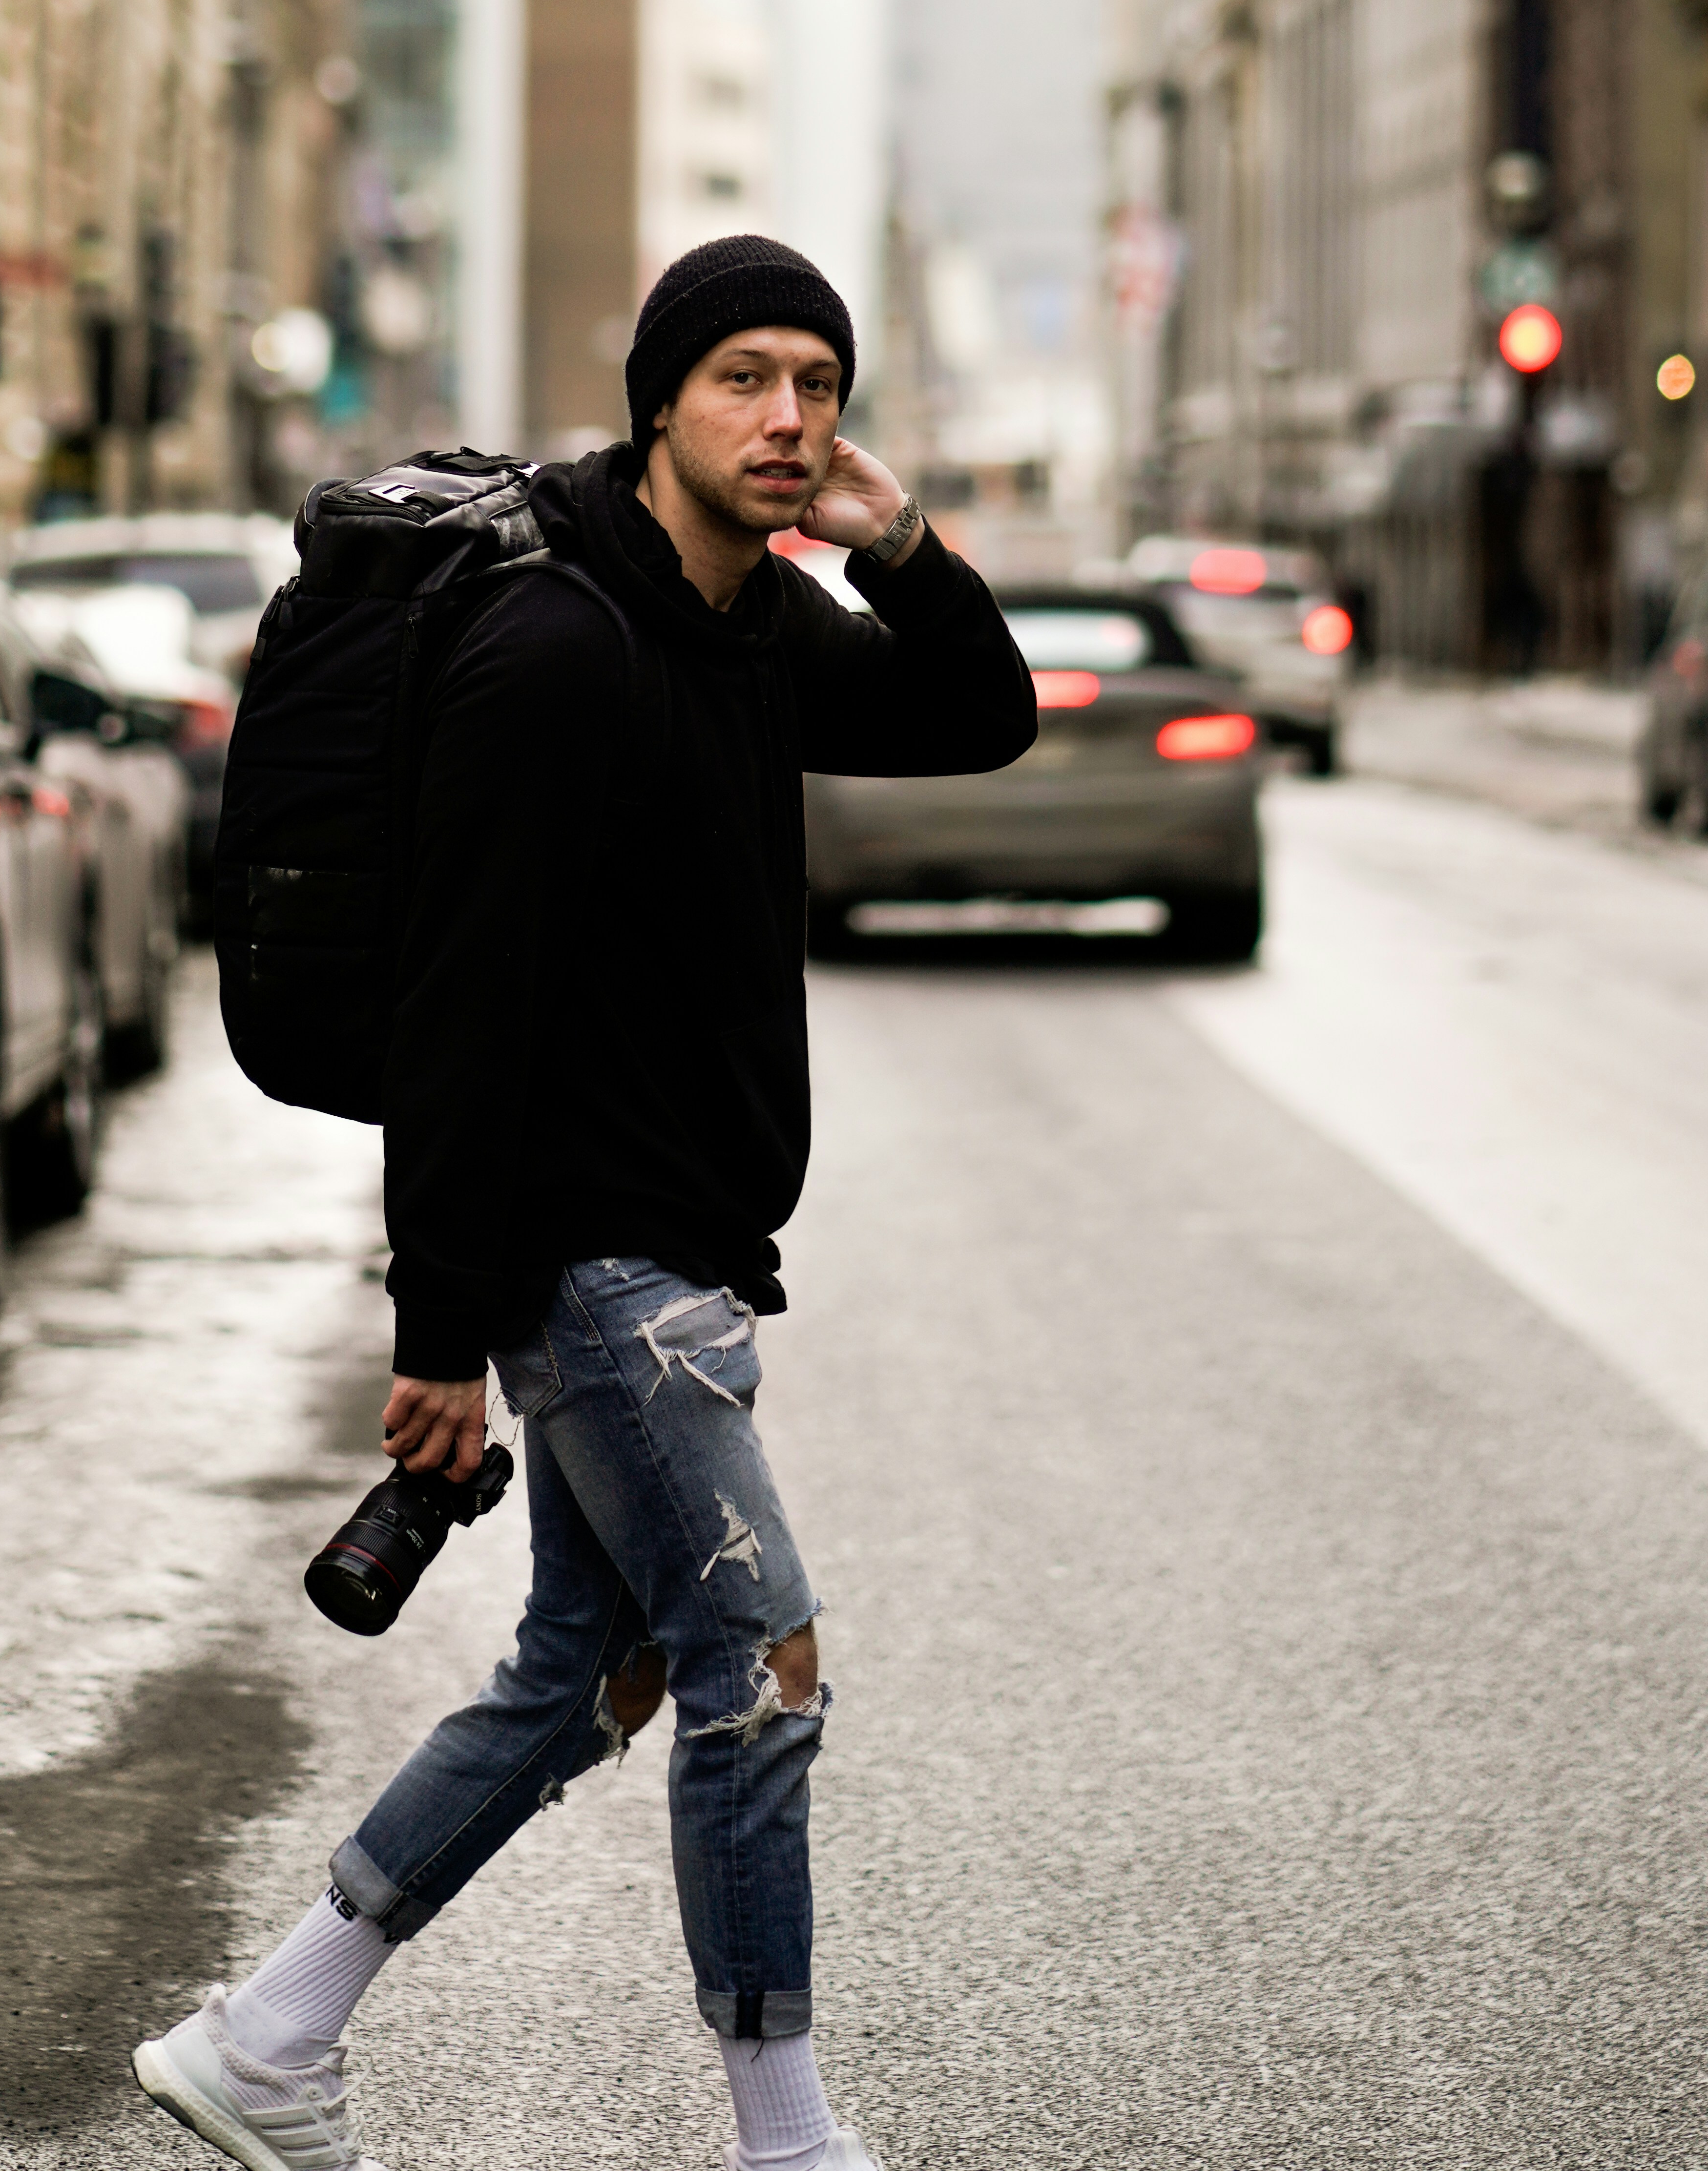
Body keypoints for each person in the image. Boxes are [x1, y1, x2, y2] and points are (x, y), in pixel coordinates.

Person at [135, 232, 1037, 2171]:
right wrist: (441, 1328)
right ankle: (787, 2139)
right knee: (759, 1669)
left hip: (685, 1237)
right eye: (743, 378)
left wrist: (897, 539)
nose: (789, 418)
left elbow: (977, 717)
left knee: (589, 1669)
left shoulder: (749, 616)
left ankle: (269, 2031)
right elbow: (463, 1005)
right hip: (598, 1258)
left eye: (817, 382)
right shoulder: (558, 649)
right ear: (659, 403)